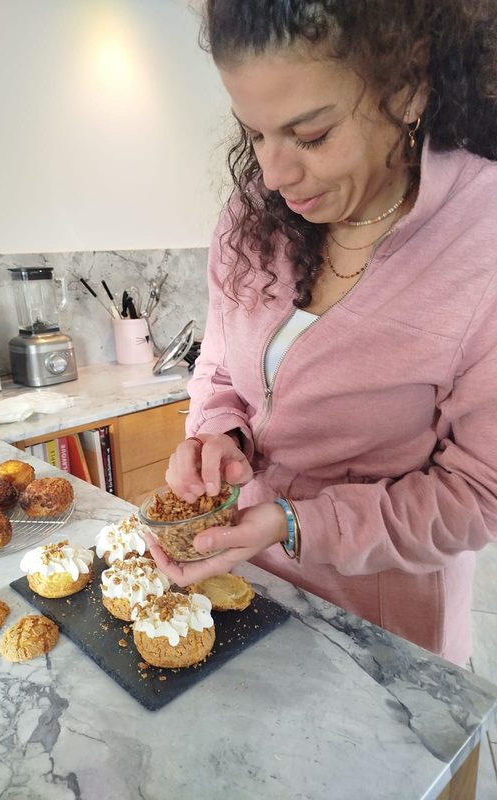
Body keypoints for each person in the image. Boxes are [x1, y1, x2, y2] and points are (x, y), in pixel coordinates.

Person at [146, 0, 497, 666]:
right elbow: (220, 369)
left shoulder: (483, 239)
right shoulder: (253, 216)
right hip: (249, 586)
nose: (274, 177)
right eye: (254, 133)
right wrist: (221, 433)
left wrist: (298, 523)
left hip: (384, 625)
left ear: (410, 87)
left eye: (310, 136)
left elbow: (480, 495)